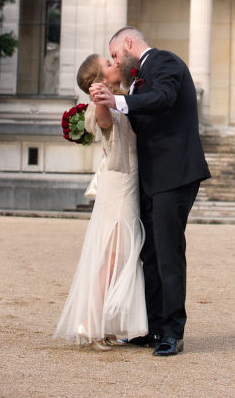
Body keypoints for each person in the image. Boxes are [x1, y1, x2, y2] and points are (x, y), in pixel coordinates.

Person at [90, 26, 211, 357]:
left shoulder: (165, 62)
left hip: (175, 173)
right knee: (151, 254)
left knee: (169, 253)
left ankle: (173, 332)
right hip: (151, 177)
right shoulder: (139, 76)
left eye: (115, 55)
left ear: (128, 44)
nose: (115, 60)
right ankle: (155, 327)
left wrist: (119, 99)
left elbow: (164, 98)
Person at [54, 54, 148, 350]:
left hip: (128, 184)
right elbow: (105, 119)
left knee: (119, 259)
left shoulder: (122, 97)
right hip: (118, 187)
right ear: (99, 80)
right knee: (112, 258)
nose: (114, 64)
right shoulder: (103, 106)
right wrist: (99, 98)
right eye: (108, 64)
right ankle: (90, 324)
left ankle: (104, 324)